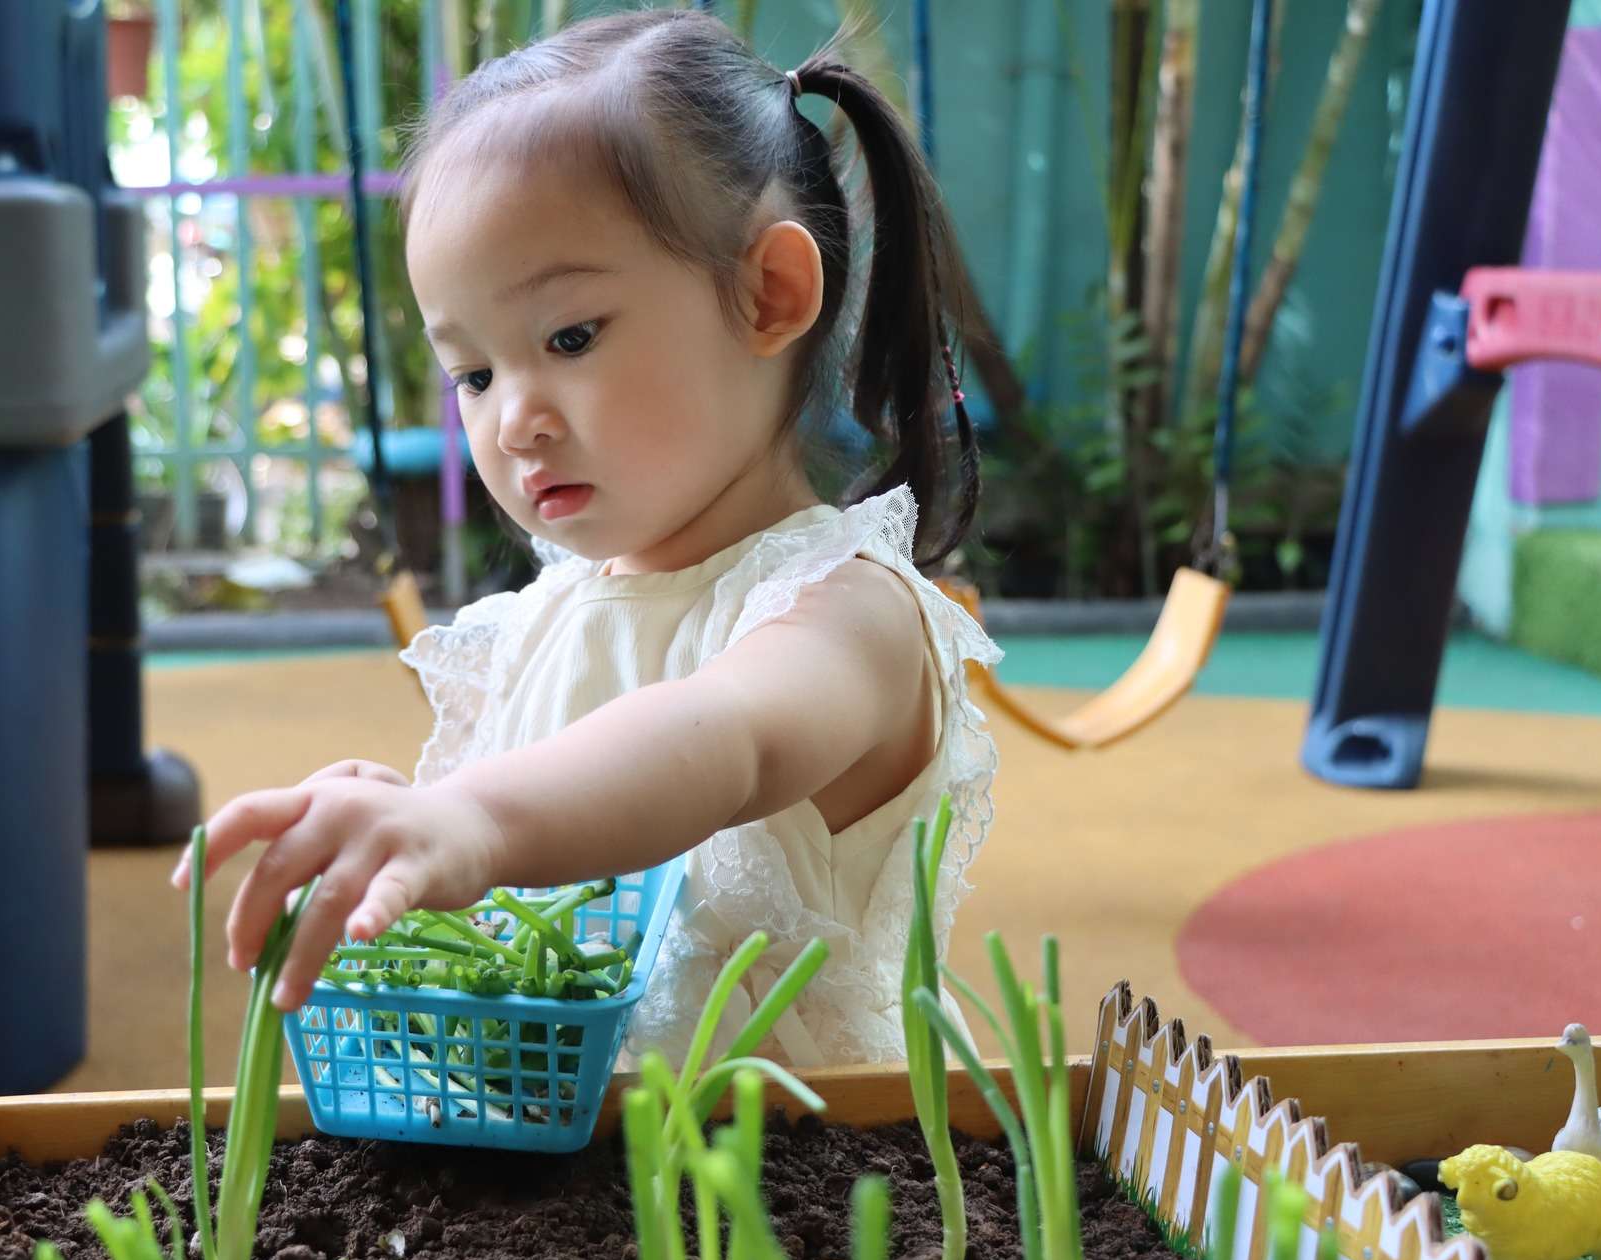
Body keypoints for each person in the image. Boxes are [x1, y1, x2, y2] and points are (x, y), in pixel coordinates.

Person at [172, 7, 1001, 1067]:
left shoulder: (843, 613)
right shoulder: (541, 622)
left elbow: (718, 739)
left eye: (568, 337)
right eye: (471, 373)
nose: (511, 417)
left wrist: (469, 820)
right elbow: (539, 888)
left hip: (783, 1202)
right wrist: (411, 822)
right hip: (574, 1198)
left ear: (767, 294)